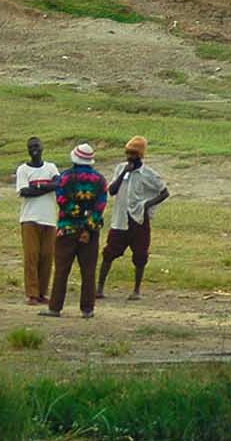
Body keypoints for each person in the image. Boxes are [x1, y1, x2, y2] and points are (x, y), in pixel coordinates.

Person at [99, 136, 169, 302]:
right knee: (109, 253)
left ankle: (136, 290)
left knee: (140, 255)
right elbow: (112, 191)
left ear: (141, 155)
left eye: (133, 154)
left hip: (138, 219)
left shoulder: (149, 174)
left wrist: (147, 205)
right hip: (120, 219)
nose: (129, 157)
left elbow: (164, 192)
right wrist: (124, 172)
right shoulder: (120, 169)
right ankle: (99, 288)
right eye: (128, 153)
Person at [43, 143, 107, 319]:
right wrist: (87, 226)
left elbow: (62, 200)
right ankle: (87, 309)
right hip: (91, 232)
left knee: (62, 270)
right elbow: (100, 206)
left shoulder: (65, 178)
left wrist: (77, 219)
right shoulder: (100, 180)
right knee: (88, 271)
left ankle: (55, 307)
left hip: (67, 229)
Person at [15, 136, 61, 305]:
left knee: (47, 256)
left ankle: (42, 292)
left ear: (42, 148)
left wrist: (39, 187)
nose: (34, 149)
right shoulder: (23, 169)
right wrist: (47, 187)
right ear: (28, 150)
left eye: (37, 146)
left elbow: (58, 184)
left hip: (49, 218)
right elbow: (24, 191)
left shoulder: (51, 167)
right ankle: (32, 293)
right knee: (31, 256)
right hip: (30, 218)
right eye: (31, 146)